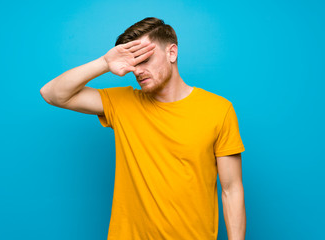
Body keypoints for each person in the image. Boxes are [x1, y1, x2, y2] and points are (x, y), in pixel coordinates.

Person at [40, 17, 246, 240]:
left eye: (145, 59)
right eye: (134, 63)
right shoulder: (122, 103)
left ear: (172, 53)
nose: (138, 71)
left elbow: (232, 190)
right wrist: (104, 63)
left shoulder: (218, 109)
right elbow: (52, 94)